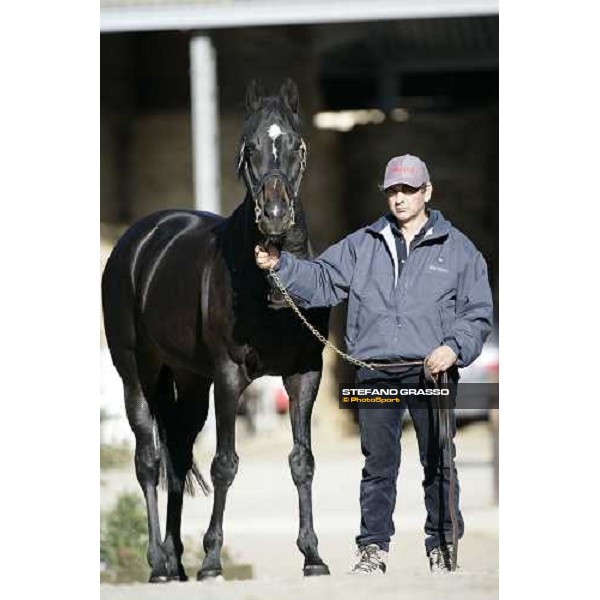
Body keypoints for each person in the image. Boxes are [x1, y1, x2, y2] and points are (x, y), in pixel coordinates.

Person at [255, 154, 493, 574]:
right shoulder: (363, 243)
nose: (399, 198)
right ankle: (373, 551)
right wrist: (282, 266)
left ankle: (442, 547)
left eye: (408, 190)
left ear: (427, 192)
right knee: (378, 466)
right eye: (393, 191)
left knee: (439, 461)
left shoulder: (458, 250)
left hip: (430, 371)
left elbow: (477, 313)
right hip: (374, 371)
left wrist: (454, 348)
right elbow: (323, 281)